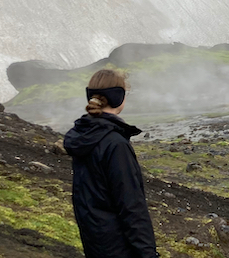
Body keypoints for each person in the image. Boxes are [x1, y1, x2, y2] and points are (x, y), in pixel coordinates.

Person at [63, 69, 159, 258]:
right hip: (119, 246)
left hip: (95, 240)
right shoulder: (115, 144)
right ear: (119, 97)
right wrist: (148, 254)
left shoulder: (84, 135)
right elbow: (130, 204)